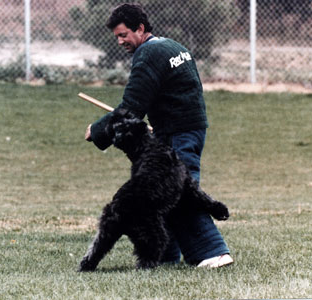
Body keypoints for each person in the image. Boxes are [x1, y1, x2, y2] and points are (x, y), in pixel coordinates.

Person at [84, 3, 233, 268]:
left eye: (123, 35)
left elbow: (131, 107)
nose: (119, 42)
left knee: (183, 192)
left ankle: (213, 253)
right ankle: (165, 255)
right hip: (192, 128)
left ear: (140, 29)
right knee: (163, 193)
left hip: (177, 134)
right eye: (116, 37)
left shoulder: (148, 55)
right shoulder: (173, 47)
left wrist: (97, 131)